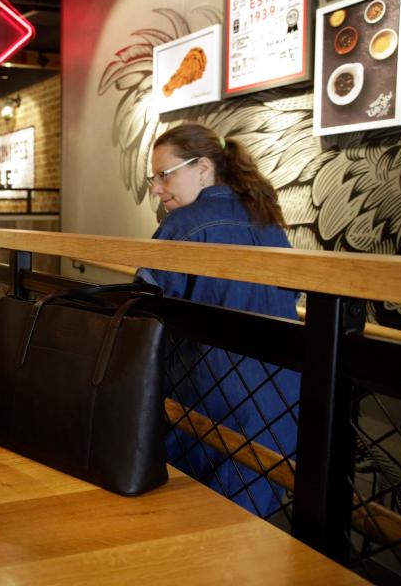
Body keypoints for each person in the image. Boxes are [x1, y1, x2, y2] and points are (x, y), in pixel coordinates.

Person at [136, 122, 300, 518]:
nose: (156, 188)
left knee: (197, 519)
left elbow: (145, 309)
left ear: (204, 169)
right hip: (281, 397)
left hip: (212, 396)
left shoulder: (184, 225)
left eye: (164, 174)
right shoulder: (267, 220)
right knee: (250, 522)